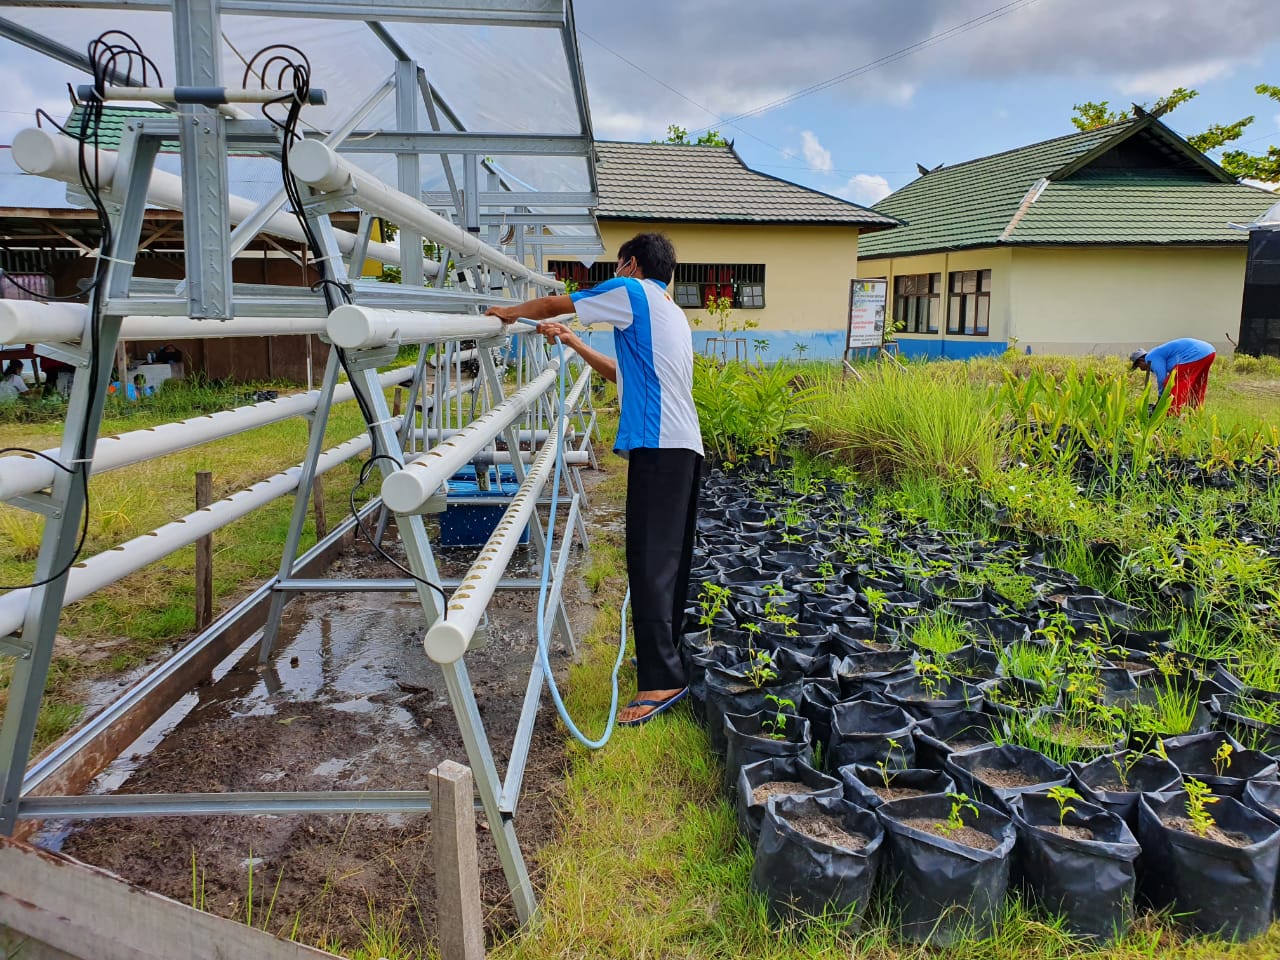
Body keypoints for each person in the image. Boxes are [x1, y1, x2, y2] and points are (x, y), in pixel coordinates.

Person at [486, 233, 703, 727]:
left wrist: (508, 312)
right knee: (667, 561)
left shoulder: (631, 292)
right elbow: (620, 377)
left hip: (660, 447)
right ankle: (665, 661)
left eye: (618, 264)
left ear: (630, 264)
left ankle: (662, 682)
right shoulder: (668, 310)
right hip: (682, 448)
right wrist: (576, 342)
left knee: (649, 562)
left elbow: (553, 302)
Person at [1129, 338, 1216, 414]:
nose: (1142, 370)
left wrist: (1160, 398)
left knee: (1172, 384)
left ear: (1141, 361)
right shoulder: (1158, 353)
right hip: (1209, 351)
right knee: (1197, 385)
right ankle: (1194, 411)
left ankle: (1172, 414)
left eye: (1140, 367)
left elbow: (1162, 379)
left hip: (1195, 353)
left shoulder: (1150, 357)